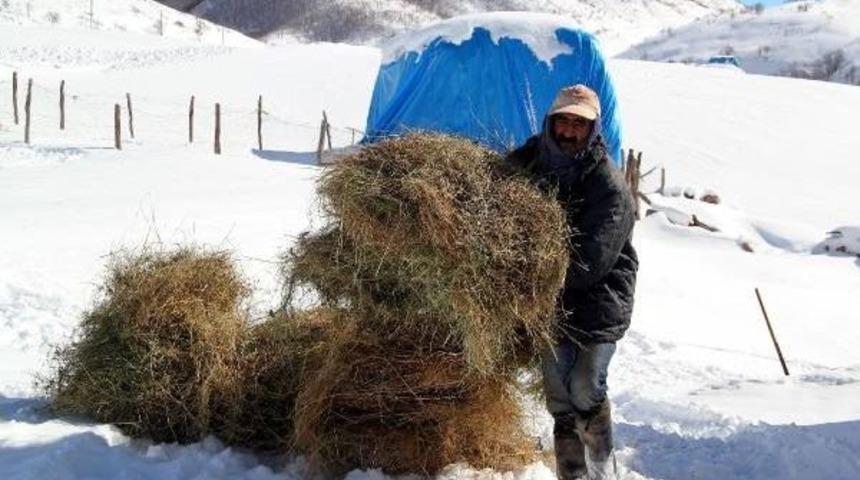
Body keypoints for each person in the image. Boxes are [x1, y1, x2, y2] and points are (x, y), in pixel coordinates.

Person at [506, 85, 638, 480]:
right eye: (562, 121)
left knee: (584, 386)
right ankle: (572, 474)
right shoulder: (531, 161)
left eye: (578, 124)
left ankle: (601, 470)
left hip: (599, 298)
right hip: (550, 297)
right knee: (559, 395)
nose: (568, 131)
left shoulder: (609, 186)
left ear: (593, 129)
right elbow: (494, 187)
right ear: (550, 122)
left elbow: (592, 261)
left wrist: (531, 275)